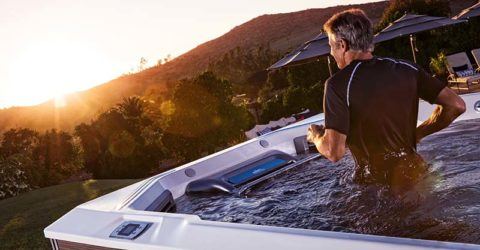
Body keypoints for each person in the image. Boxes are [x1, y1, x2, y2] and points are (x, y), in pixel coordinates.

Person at [307, 9, 466, 192]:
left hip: (379, 184)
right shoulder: (407, 68)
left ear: (342, 45)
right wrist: (419, 133)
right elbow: (456, 105)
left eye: (331, 46)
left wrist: (317, 136)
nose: (332, 53)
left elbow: (334, 152)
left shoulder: (338, 84)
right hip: (416, 171)